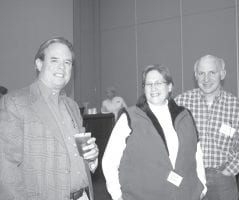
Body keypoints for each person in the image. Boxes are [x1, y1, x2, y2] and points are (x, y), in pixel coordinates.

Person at [0, 37, 99, 200]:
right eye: (54, 60)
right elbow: (6, 171)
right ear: (39, 64)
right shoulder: (14, 103)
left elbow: (75, 155)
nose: (62, 67)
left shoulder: (72, 106)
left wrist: (91, 158)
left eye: (67, 62)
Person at [102, 64, 207, 200]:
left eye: (158, 83)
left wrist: (202, 186)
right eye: (148, 84)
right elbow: (109, 160)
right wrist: (117, 195)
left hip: (186, 194)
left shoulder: (185, 115)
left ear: (169, 87)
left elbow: (196, 153)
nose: (153, 88)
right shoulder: (129, 117)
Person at [175, 55, 239, 200]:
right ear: (195, 76)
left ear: (222, 74)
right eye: (201, 73)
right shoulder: (180, 103)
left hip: (222, 180)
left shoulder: (237, 107)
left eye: (212, 72)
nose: (206, 79)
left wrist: (229, 171)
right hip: (189, 176)